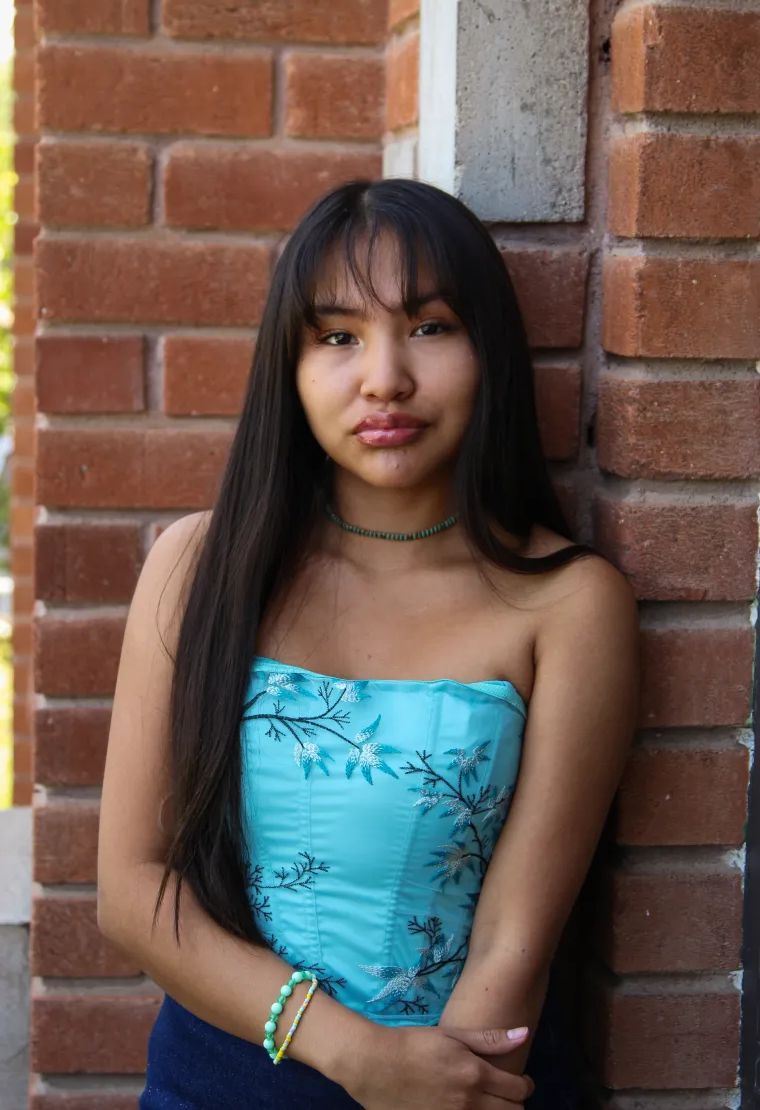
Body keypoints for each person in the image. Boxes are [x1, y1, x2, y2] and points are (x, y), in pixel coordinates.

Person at [97, 177, 639, 1109]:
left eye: (429, 327)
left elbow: (516, 935)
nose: (384, 376)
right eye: (338, 337)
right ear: (291, 367)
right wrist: (351, 1053)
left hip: (469, 1080)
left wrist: (440, 1082)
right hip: (220, 1078)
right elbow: (130, 888)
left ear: (488, 350)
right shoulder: (200, 567)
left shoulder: (568, 604)